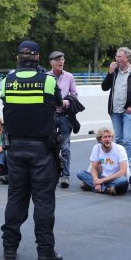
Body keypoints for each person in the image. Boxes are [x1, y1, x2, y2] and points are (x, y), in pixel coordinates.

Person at [0, 40, 64, 260]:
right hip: (41, 150)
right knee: (43, 201)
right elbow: (58, 102)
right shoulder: (47, 80)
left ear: (18, 57)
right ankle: (45, 253)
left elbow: (6, 104)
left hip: (15, 149)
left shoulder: (7, 81)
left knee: (16, 198)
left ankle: (9, 247)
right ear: (37, 57)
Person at [101, 47, 131, 165]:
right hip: (115, 110)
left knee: (128, 140)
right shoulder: (115, 72)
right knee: (119, 140)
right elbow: (104, 87)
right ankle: (121, 163)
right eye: (116, 56)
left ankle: (128, 164)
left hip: (129, 111)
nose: (116, 59)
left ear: (127, 58)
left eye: (119, 56)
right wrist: (110, 73)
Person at [47, 50, 78, 188]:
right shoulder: (45, 77)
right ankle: (50, 173)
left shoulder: (69, 77)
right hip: (49, 116)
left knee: (65, 147)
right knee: (49, 146)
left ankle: (65, 176)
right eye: (58, 59)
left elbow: (75, 94)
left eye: (62, 59)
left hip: (65, 115)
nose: (61, 62)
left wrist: (67, 102)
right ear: (51, 62)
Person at [76, 127, 130, 195]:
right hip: (102, 177)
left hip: (115, 178)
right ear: (100, 139)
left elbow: (123, 171)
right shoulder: (97, 148)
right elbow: (94, 168)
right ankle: (107, 189)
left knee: (123, 181)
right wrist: (96, 180)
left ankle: (93, 186)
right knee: (80, 173)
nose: (107, 139)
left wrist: (101, 181)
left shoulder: (119, 149)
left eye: (109, 137)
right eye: (105, 137)